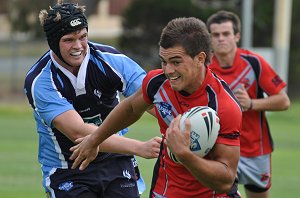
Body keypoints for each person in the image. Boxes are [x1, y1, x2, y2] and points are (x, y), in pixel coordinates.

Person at [70, 17, 243, 198]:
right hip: (166, 190)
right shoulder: (157, 82)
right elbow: (130, 108)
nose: (168, 70)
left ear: (200, 58)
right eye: (164, 61)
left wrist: (185, 154)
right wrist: (94, 140)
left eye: (176, 62)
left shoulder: (225, 106)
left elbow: (225, 181)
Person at [23, 1, 161, 198]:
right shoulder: (41, 80)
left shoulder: (111, 60)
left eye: (83, 37)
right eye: (69, 40)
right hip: (68, 168)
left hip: (116, 159)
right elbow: (78, 132)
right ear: (53, 42)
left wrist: (181, 123)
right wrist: (140, 147)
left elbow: (152, 98)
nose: (78, 46)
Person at [206, 10, 291, 198]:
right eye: (216, 35)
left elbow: (283, 101)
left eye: (226, 34)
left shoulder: (253, 63)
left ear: (236, 36)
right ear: (209, 38)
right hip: (221, 149)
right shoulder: (205, 68)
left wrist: (251, 103)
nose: (221, 39)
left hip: (256, 150)